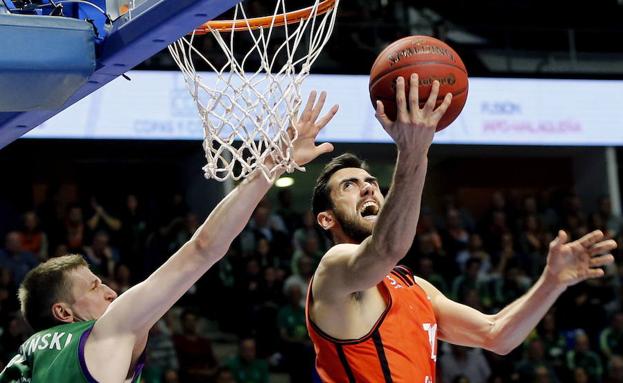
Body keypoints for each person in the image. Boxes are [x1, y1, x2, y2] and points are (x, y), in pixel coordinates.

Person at [0, 90, 338, 383]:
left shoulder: (23, 359)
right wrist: (274, 161)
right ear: (63, 313)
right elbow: (203, 248)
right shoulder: (104, 333)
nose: (110, 291)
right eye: (93, 287)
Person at [306, 74, 617, 382]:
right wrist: (413, 151)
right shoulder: (333, 269)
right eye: (350, 185)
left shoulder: (414, 287)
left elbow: (497, 335)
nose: (368, 189)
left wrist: (552, 282)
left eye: (372, 183)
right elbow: (388, 248)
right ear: (326, 218)